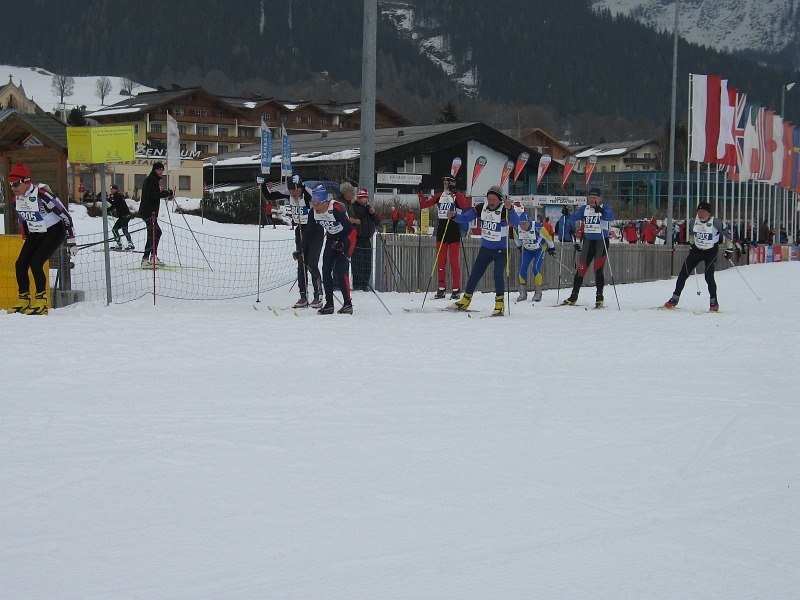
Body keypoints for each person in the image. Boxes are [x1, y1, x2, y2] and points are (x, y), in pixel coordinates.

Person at [7, 162, 76, 315]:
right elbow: (22, 218)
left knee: (36, 263)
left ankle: (41, 301)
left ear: (26, 181)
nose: (13, 188)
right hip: (36, 232)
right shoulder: (16, 199)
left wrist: (71, 240)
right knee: (20, 264)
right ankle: (24, 300)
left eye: (16, 184)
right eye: (10, 184)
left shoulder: (42, 195)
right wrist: (25, 235)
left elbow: (65, 215)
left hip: (54, 231)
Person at [448, 186, 520, 316]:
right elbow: (465, 218)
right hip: (486, 249)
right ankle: (465, 300)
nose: (491, 202)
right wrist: (454, 216)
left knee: (497, 275)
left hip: (501, 251)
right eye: (489, 199)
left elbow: (516, 222)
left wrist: (511, 209)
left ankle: (499, 304)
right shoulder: (481, 208)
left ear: (500, 200)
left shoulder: (505, 209)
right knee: (475, 274)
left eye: (493, 199)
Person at [263, 175, 324, 309]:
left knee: (312, 263)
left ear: (300, 187)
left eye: (295, 191)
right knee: (301, 263)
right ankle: (303, 296)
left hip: (315, 231)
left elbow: (319, 203)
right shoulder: (289, 194)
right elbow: (269, 196)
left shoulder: (309, 195)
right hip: (300, 230)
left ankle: (318, 295)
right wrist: (264, 183)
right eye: (290, 191)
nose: (293, 194)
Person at [664, 201, 733, 312]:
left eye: (703, 212)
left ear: (709, 213)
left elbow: (728, 235)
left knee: (708, 276)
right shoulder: (693, 222)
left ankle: (714, 301)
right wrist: (691, 244)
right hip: (697, 250)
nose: (700, 214)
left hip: (711, 251)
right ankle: (674, 298)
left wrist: (729, 249)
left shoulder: (716, 222)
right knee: (683, 274)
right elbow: (692, 234)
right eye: (699, 211)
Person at [295, 185, 354, 314]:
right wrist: (301, 249)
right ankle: (329, 304)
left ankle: (348, 304)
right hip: (332, 238)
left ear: (325, 202)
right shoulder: (313, 212)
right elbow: (308, 232)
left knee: (340, 270)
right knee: (326, 270)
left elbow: (350, 228)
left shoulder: (336, 208)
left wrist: (342, 243)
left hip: (347, 238)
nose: (315, 207)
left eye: (317, 204)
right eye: (313, 204)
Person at [418, 175, 472, 299]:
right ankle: (441, 288)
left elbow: (463, 205)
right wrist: (421, 193)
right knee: (441, 261)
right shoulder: (439, 196)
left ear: (453, 183)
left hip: (454, 230)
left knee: (454, 262)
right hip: (442, 230)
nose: (446, 185)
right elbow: (423, 205)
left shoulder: (457, 195)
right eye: (444, 182)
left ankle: (456, 289)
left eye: (448, 183)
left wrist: (455, 192)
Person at [561, 187, 616, 308]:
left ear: (599, 199)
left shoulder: (605, 207)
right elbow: (574, 217)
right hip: (588, 242)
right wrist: (567, 214)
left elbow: (610, 217)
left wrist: (601, 211)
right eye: (590, 197)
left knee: (598, 269)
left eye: (594, 197)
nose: (591, 199)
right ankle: (573, 296)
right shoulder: (584, 209)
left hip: (601, 242)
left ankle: (599, 297)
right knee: (581, 269)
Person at [515, 205, 555, 302]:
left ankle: (538, 293)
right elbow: (517, 239)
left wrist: (551, 248)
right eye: (521, 224)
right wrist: (519, 246)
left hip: (539, 249)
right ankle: (522, 292)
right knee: (522, 268)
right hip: (527, 249)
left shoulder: (538, 227)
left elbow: (548, 237)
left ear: (529, 222)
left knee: (536, 268)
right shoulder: (517, 228)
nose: (523, 226)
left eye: (524, 223)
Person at [138, 161, 174, 267]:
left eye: (162, 170)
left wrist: (164, 192)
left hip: (150, 212)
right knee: (153, 233)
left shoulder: (153, 179)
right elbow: (153, 194)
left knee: (156, 233)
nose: (161, 172)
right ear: (154, 170)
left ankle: (153, 257)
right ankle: (145, 259)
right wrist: (167, 193)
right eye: (159, 170)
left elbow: (155, 193)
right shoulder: (152, 180)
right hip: (148, 212)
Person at [350, 187, 381, 291]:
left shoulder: (368, 208)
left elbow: (377, 221)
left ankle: (365, 284)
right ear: (359, 198)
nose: (365, 200)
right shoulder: (355, 207)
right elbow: (358, 214)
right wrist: (365, 208)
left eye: (366, 198)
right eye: (363, 198)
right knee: (358, 262)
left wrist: (373, 213)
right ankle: (357, 284)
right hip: (357, 238)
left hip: (367, 238)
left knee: (367, 263)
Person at [108, 183, 134, 250]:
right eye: (111, 189)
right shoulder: (116, 196)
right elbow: (115, 204)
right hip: (122, 216)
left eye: (112, 189)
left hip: (125, 216)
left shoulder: (118, 196)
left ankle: (130, 244)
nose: (111, 190)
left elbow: (114, 205)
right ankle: (119, 243)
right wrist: (108, 200)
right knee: (115, 229)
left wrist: (107, 210)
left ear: (116, 189)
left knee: (124, 230)